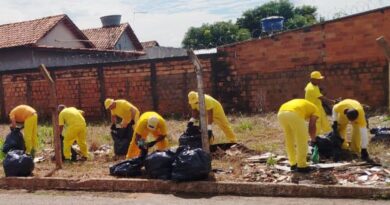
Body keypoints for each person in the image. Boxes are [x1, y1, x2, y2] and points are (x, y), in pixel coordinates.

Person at [278, 99, 319, 173]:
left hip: (281, 113)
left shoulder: (306, 104)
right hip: (294, 114)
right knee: (301, 139)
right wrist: (313, 140)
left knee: (289, 139)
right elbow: (312, 126)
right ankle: (302, 166)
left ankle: (293, 163)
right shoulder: (316, 109)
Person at [304, 71, 333, 135]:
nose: (320, 81)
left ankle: (330, 136)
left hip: (319, 107)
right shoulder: (311, 88)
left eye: (320, 79)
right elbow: (322, 98)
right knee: (317, 125)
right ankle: (316, 140)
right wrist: (333, 102)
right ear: (312, 79)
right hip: (313, 110)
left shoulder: (314, 85)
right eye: (318, 80)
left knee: (325, 123)